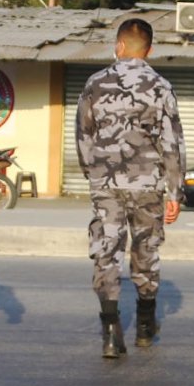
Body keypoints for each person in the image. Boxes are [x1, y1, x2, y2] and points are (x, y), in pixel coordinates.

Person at [75, 18, 185, 358]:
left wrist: (93, 174)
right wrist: (175, 191)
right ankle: (145, 326)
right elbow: (172, 144)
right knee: (145, 250)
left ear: (119, 46)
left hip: (106, 184)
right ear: (149, 50)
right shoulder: (161, 87)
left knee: (106, 252)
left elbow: (83, 137)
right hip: (148, 185)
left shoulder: (95, 83)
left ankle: (110, 332)